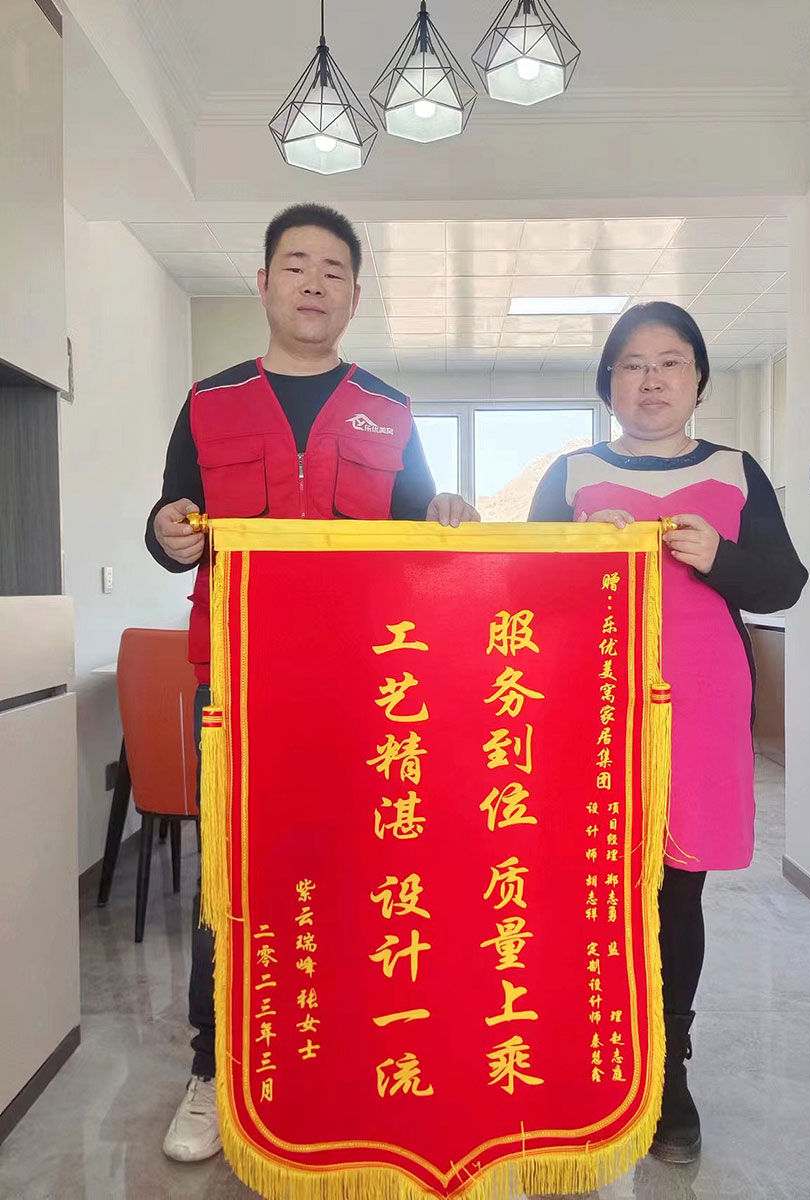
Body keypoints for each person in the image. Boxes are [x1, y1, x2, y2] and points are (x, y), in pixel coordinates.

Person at [146, 202, 479, 1163]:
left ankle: (348, 1062)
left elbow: (421, 541)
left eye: (333, 271)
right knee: (230, 881)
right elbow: (173, 523)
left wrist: (447, 513)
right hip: (237, 692)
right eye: (296, 265)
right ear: (263, 283)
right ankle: (214, 1073)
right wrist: (165, 535)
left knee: (360, 876)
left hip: (364, 692)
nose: (313, 284)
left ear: (355, 297)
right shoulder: (208, 402)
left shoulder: (390, 409)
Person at [528, 301, 807, 1164]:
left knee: (676, 889)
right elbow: (515, 590)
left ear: (698, 379)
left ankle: (666, 1068)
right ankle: (582, 1051)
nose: (651, 380)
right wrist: (574, 549)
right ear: (607, 382)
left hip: (701, 705)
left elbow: (784, 584)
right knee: (585, 885)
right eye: (632, 365)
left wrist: (718, 558)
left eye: (670, 362)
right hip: (585, 707)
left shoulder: (735, 470)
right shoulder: (572, 474)